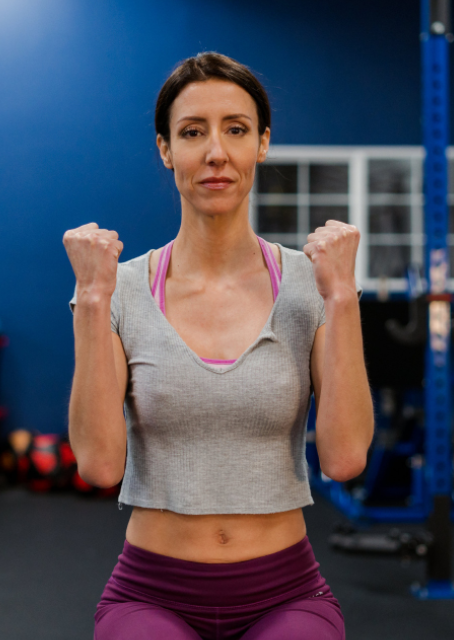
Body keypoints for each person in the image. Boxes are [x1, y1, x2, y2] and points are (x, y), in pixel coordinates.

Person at [63, 52, 373, 640]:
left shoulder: (313, 284)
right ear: (165, 149)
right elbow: (101, 466)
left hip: (286, 591)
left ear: (262, 143)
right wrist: (92, 301)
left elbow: (345, 458)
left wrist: (342, 299)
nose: (215, 153)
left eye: (235, 129)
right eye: (192, 132)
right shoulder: (120, 289)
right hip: (150, 591)